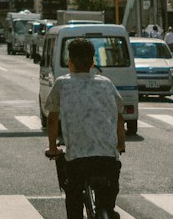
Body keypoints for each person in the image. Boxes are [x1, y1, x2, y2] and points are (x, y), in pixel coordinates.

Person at [44, 36, 125, 219]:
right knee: (107, 199)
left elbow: (52, 119)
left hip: (78, 161)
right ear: (92, 62)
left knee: (73, 198)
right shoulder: (106, 83)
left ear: (70, 61)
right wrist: (120, 144)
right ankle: (107, 212)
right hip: (107, 160)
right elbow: (119, 117)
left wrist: (52, 147)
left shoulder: (62, 84)